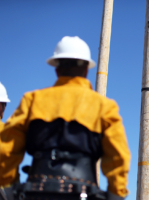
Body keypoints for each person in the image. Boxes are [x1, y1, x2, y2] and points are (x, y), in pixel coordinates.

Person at [0, 36, 131, 200]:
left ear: (57, 69)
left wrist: (9, 188)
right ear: (86, 70)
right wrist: (116, 194)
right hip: (84, 192)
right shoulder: (104, 106)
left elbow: (6, 149)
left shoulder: (32, 100)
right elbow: (119, 156)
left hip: (36, 191)